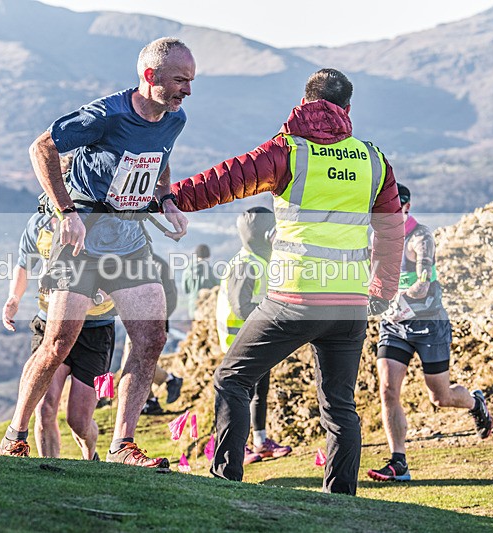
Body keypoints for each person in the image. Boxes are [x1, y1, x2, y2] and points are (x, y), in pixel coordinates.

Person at [171, 68, 404, 494]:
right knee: (339, 406)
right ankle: (341, 499)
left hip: (293, 300)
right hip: (350, 304)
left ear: (305, 101)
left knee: (233, 380)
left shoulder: (290, 152)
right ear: (347, 110)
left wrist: (169, 196)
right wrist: (383, 290)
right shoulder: (373, 159)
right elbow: (391, 230)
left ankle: (226, 480)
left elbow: (226, 180)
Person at [0, 37, 194, 468]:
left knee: (152, 336)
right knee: (58, 342)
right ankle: (14, 435)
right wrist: (66, 211)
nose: (188, 91)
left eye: (191, 81)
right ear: (150, 77)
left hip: (129, 237)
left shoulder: (173, 119)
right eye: (180, 81)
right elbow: (41, 148)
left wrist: (167, 200)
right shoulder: (106, 114)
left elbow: (160, 160)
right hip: (83, 238)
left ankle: (123, 443)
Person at [367, 183, 493, 482]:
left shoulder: (420, 237)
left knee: (441, 395)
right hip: (395, 325)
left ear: (406, 207)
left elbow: (423, 280)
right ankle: (399, 462)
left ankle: (476, 403)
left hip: (429, 325)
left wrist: (401, 297)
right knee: (387, 389)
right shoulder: (378, 237)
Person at [1, 211, 116, 461]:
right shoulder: (39, 222)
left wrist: (86, 301)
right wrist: (14, 298)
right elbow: (24, 263)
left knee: (79, 420)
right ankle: (49, 470)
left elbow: (120, 273)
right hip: (48, 324)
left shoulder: (102, 220)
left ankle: (91, 457)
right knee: (44, 407)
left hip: (95, 329)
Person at [215, 207, 292, 464]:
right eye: (273, 232)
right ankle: (238, 445)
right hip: (238, 339)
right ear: (261, 234)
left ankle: (260, 441)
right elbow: (241, 307)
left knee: (261, 391)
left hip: (260, 335)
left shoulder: (263, 260)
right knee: (240, 394)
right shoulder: (244, 264)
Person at [119, 253, 184, 415]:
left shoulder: (156, 264)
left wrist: (155, 323)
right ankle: (152, 400)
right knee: (131, 364)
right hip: (136, 321)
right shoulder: (129, 261)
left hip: (150, 322)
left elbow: (170, 298)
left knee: (134, 363)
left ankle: (168, 381)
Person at [182, 244, 217, 319]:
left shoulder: (187, 271)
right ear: (208, 256)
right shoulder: (210, 271)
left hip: (193, 307)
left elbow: (185, 289)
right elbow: (217, 288)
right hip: (206, 308)